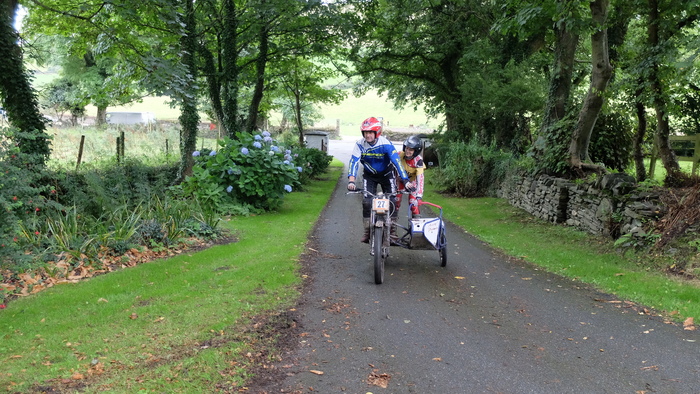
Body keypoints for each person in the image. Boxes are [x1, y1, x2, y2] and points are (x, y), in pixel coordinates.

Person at [347, 117, 414, 243]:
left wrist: (405, 180)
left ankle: (392, 233)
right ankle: (367, 232)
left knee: (393, 200)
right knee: (367, 202)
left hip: (387, 175)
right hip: (369, 176)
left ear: (377, 132)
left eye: (370, 132)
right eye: (365, 132)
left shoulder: (386, 144)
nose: (367, 135)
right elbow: (354, 162)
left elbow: (396, 162)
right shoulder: (359, 144)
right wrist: (351, 181)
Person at [395, 135, 426, 218]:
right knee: (395, 201)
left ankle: (415, 225)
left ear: (415, 151)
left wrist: (419, 195)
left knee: (413, 203)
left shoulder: (418, 161)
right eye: (407, 148)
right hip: (400, 180)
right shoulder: (399, 155)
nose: (408, 151)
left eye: (411, 150)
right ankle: (392, 226)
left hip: (413, 182)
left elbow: (420, 179)